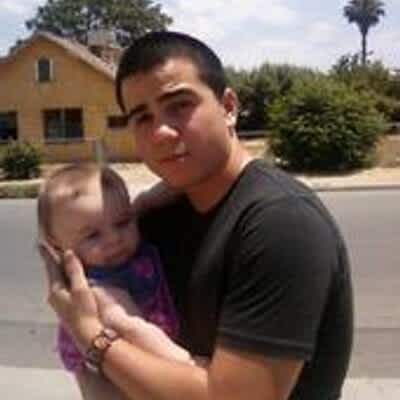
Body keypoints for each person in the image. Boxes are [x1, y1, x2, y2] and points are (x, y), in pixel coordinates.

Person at [40, 31, 353, 400]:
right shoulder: (152, 223)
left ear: (228, 107)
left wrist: (92, 337)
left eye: (179, 105)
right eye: (142, 118)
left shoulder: (280, 223)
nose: (161, 132)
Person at [37, 163, 193, 399]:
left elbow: (138, 206)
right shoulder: (96, 287)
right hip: (114, 374)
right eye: (92, 235)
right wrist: (187, 363)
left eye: (122, 223)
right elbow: (130, 327)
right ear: (57, 244)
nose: (114, 239)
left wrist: (155, 196)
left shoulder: (119, 250)